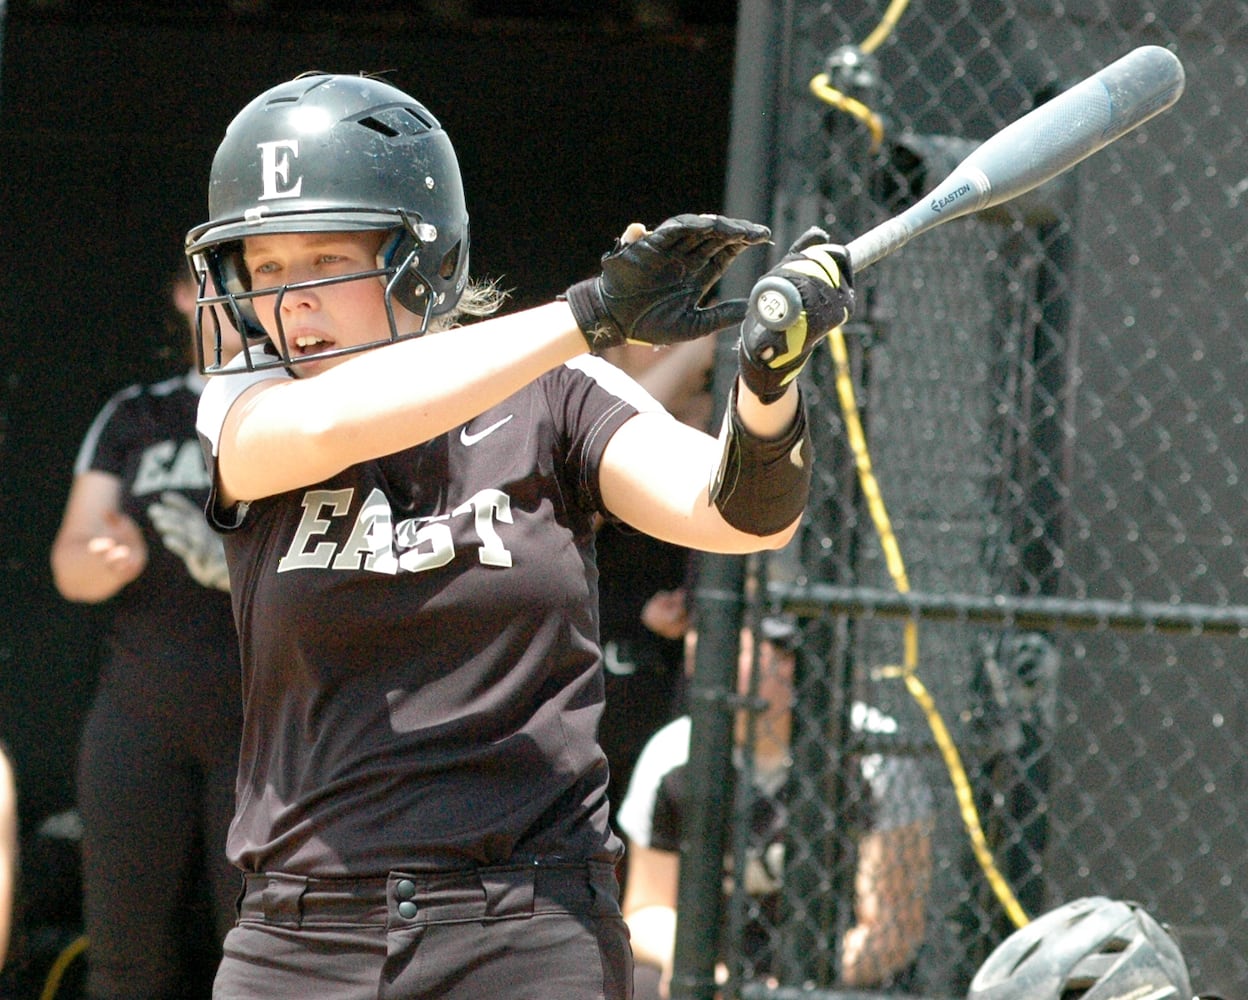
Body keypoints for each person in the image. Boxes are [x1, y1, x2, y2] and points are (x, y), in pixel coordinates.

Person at [185, 71, 853, 1000]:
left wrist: (766, 387)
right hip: (302, 936)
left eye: (323, 262)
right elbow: (334, 430)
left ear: (421, 262)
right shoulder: (247, 406)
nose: (291, 301)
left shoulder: (558, 395)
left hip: (525, 927)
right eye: (266, 270)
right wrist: (589, 316)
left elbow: (735, 513)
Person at [49, 263, 246, 999]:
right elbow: (71, 563)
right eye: (209, 285)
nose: (226, 303)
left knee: (262, 948)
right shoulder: (138, 415)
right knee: (125, 953)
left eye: (245, 281)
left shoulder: (298, 406)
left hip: (265, 717)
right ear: (178, 296)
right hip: (141, 709)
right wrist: (109, 559)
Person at [617, 615, 934, 998]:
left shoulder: (874, 754)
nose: (703, 648)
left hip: (830, 976)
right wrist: (695, 969)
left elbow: (892, 932)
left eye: (786, 653)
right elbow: (646, 908)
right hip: (714, 970)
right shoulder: (674, 753)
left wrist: (790, 989)